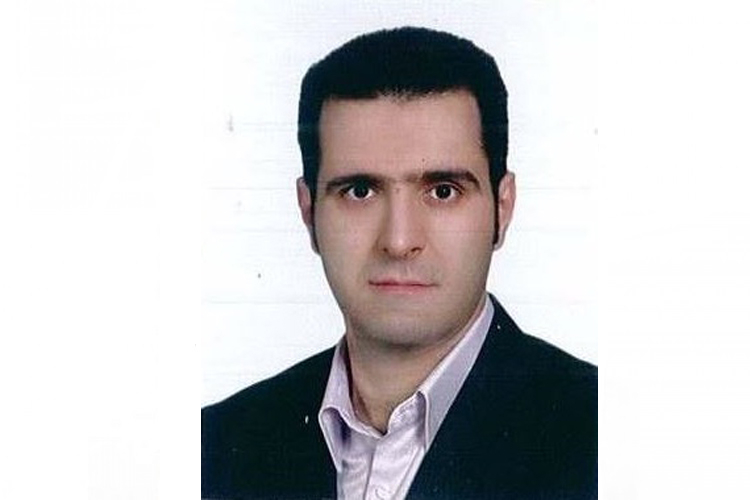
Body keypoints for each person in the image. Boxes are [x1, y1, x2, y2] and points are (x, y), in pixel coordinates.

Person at [202, 27, 597, 500]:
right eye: (360, 191)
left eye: (443, 191)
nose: (399, 241)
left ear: (503, 207)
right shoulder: (213, 447)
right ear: (308, 213)